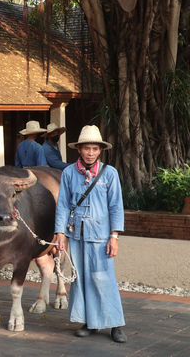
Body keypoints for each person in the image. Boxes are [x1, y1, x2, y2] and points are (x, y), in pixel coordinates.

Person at [54, 125, 127, 343]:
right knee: (81, 281)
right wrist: (60, 233)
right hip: (76, 235)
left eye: (95, 149)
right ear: (79, 149)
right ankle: (89, 323)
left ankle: (115, 324)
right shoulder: (68, 173)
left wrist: (114, 237)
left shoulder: (110, 174)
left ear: (100, 151)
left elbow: (116, 207)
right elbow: (63, 206)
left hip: (101, 236)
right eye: (87, 148)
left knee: (103, 279)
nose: (91, 153)